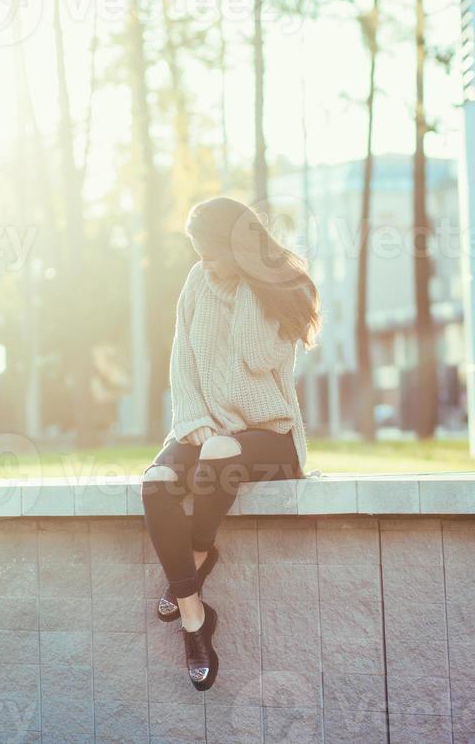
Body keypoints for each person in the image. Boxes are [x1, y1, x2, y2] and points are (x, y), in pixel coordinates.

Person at [141, 196, 321, 691]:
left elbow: (256, 356)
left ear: (235, 248)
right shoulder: (198, 281)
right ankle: (195, 617)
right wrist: (194, 420)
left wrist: (248, 284)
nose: (202, 262)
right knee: (157, 482)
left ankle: (196, 558)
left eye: (210, 252)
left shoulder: (287, 285)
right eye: (195, 251)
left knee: (221, 452)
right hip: (207, 428)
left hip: (270, 434)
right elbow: (182, 356)